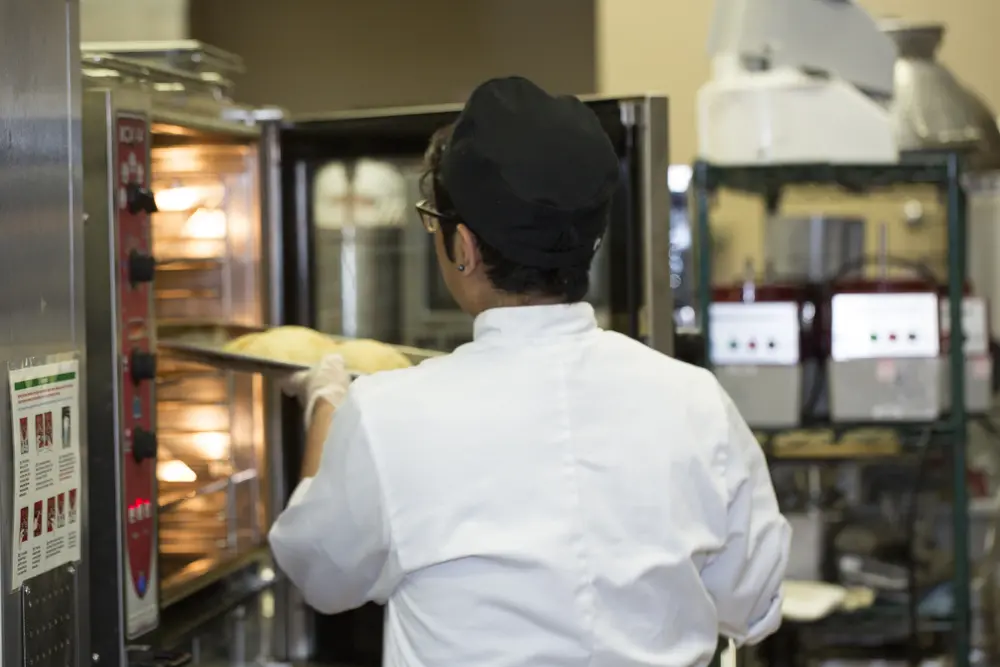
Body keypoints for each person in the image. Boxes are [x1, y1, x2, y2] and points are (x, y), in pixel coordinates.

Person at [270, 76, 790, 667]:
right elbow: (754, 604)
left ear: (461, 246)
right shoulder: (695, 400)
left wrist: (326, 403)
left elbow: (319, 571)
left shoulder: (388, 413)